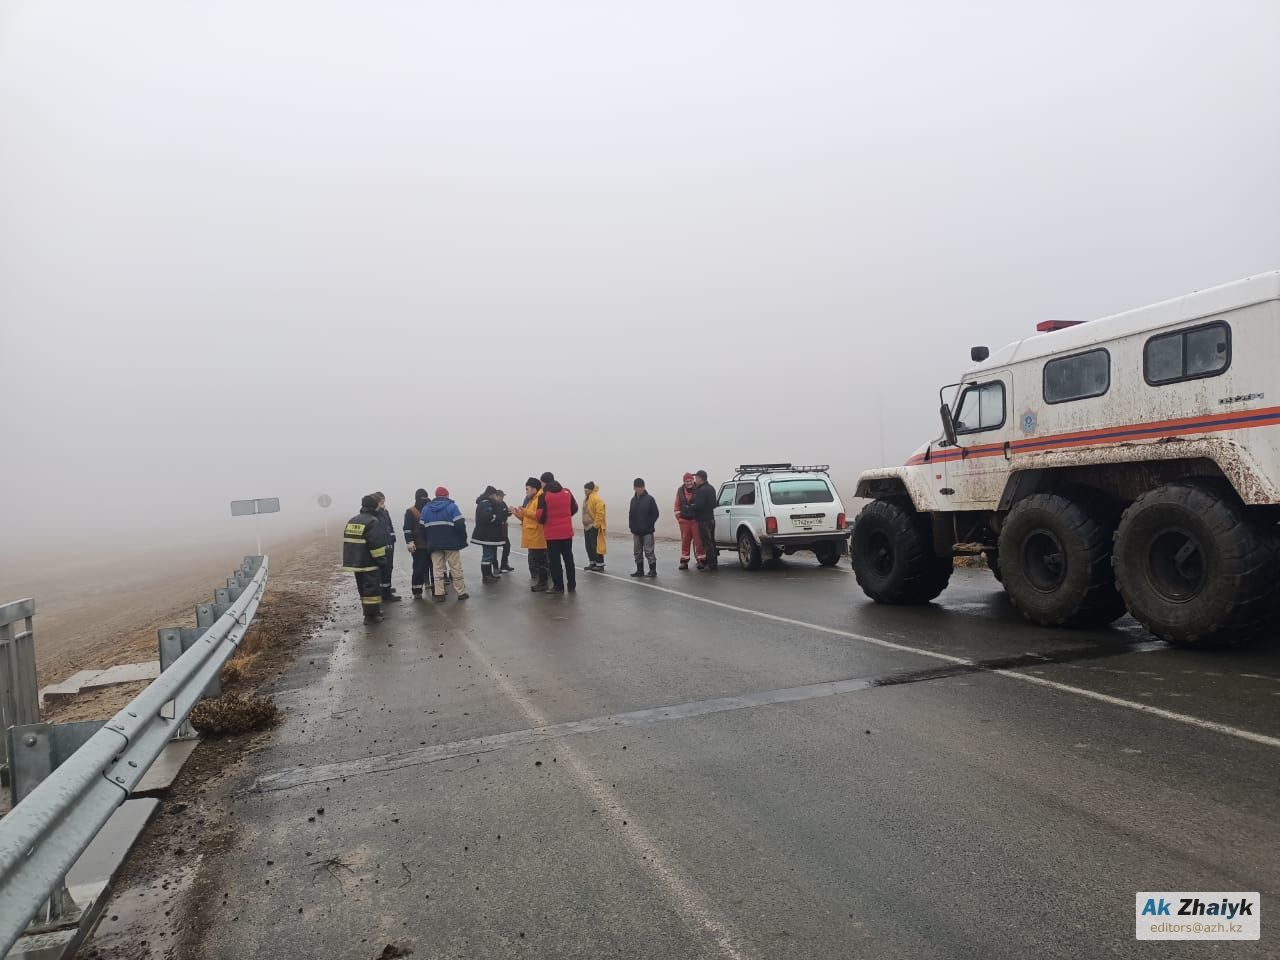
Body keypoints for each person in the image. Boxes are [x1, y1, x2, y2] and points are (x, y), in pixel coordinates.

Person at [342, 494, 392, 623]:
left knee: (363, 589)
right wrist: (382, 561)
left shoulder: (353, 520)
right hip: (369, 562)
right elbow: (376, 546)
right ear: (374, 506)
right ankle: (371, 616)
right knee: (372, 591)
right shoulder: (372, 521)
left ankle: (369, 612)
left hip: (355, 562)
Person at [420, 486, 469, 601]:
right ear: (447, 495)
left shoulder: (426, 509)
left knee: (437, 569)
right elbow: (460, 524)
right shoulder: (452, 507)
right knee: (455, 568)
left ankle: (439, 594)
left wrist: (428, 540)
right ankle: (461, 593)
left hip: (434, 544)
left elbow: (421, 527)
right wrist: (462, 539)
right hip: (451, 543)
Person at [536, 471, 579, 593]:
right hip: (566, 532)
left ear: (544, 482)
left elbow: (540, 516)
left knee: (555, 561)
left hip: (552, 534)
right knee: (568, 559)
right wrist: (565, 517)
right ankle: (572, 585)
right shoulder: (567, 492)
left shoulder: (543, 496)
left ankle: (558, 586)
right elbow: (574, 508)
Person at [510, 478, 549, 592]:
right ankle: (541, 582)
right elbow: (525, 517)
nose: (526, 491)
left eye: (527, 489)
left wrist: (525, 511)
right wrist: (517, 513)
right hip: (533, 535)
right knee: (538, 561)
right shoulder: (532, 499)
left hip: (538, 535)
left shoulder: (540, 498)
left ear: (534, 488)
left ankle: (543, 583)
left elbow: (539, 516)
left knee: (541, 562)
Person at [403, 488, 434, 599]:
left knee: (434, 567)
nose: (424, 500)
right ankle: (417, 590)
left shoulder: (430, 509)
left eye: (426, 497)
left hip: (431, 544)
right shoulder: (411, 512)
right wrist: (409, 541)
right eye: (422, 498)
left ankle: (436, 588)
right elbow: (407, 528)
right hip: (419, 545)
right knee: (419, 568)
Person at [472, 486, 508, 583]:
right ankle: (486, 577)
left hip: (489, 535)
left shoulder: (486, 502)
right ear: (492, 494)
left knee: (490, 555)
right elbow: (487, 517)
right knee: (487, 556)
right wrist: (497, 517)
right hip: (487, 535)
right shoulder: (485, 503)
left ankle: (489, 575)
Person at [372, 492, 401, 602]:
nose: (383, 504)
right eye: (381, 502)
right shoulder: (375, 514)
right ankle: (385, 594)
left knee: (389, 567)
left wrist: (393, 537)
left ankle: (386, 589)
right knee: (383, 569)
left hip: (389, 544)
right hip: (381, 545)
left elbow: (389, 526)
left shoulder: (385, 512)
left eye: (384, 501)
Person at [674, 472, 706, 570]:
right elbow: (677, 505)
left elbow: (702, 504)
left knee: (699, 541)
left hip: (695, 520)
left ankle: (702, 560)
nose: (689, 483)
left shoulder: (699, 489)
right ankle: (684, 561)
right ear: (684, 482)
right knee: (685, 541)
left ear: (693, 480)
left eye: (690, 480)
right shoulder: (680, 491)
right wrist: (679, 518)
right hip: (684, 521)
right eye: (687, 481)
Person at [628, 477, 660, 578]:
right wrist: (631, 526)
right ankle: (639, 570)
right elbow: (631, 514)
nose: (639, 489)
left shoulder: (650, 499)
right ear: (634, 488)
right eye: (637, 487)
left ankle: (653, 570)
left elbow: (655, 514)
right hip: (636, 531)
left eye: (641, 487)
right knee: (637, 552)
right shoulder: (633, 500)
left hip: (647, 531)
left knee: (649, 551)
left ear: (644, 487)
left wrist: (649, 525)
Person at [693, 469, 719, 570]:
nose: (695, 480)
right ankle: (714, 562)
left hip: (703, 520)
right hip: (711, 519)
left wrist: (690, 507)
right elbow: (714, 504)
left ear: (700, 478)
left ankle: (711, 564)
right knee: (712, 542)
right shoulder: (711, 488)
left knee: (707, 543)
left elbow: (698, 505)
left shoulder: (701, 490)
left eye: (696, 478)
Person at [582, 481, 608, 572]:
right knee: (588, 546)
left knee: (595, 546)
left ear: (590, 489)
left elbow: (600, 513)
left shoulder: (596, 498)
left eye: (586, 489)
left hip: (593, 527)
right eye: (584, 489)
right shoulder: (587, 498)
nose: (585, 491)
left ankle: (600, 564)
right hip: (587, 527)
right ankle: (592, 562)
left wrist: (596, 525)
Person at [496, 490, 516, 572]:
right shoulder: (494, 504)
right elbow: (498, 514)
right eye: (501, 496)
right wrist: (505, 512)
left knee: (507, 546)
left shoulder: (503, 503)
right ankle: (496, 567)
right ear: (496, 496)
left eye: (503, 496)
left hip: (503, 528)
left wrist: (509, 511)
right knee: (494, 548)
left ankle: (504, 565)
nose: (502, 497)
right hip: (496, 528)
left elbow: (505, 513)